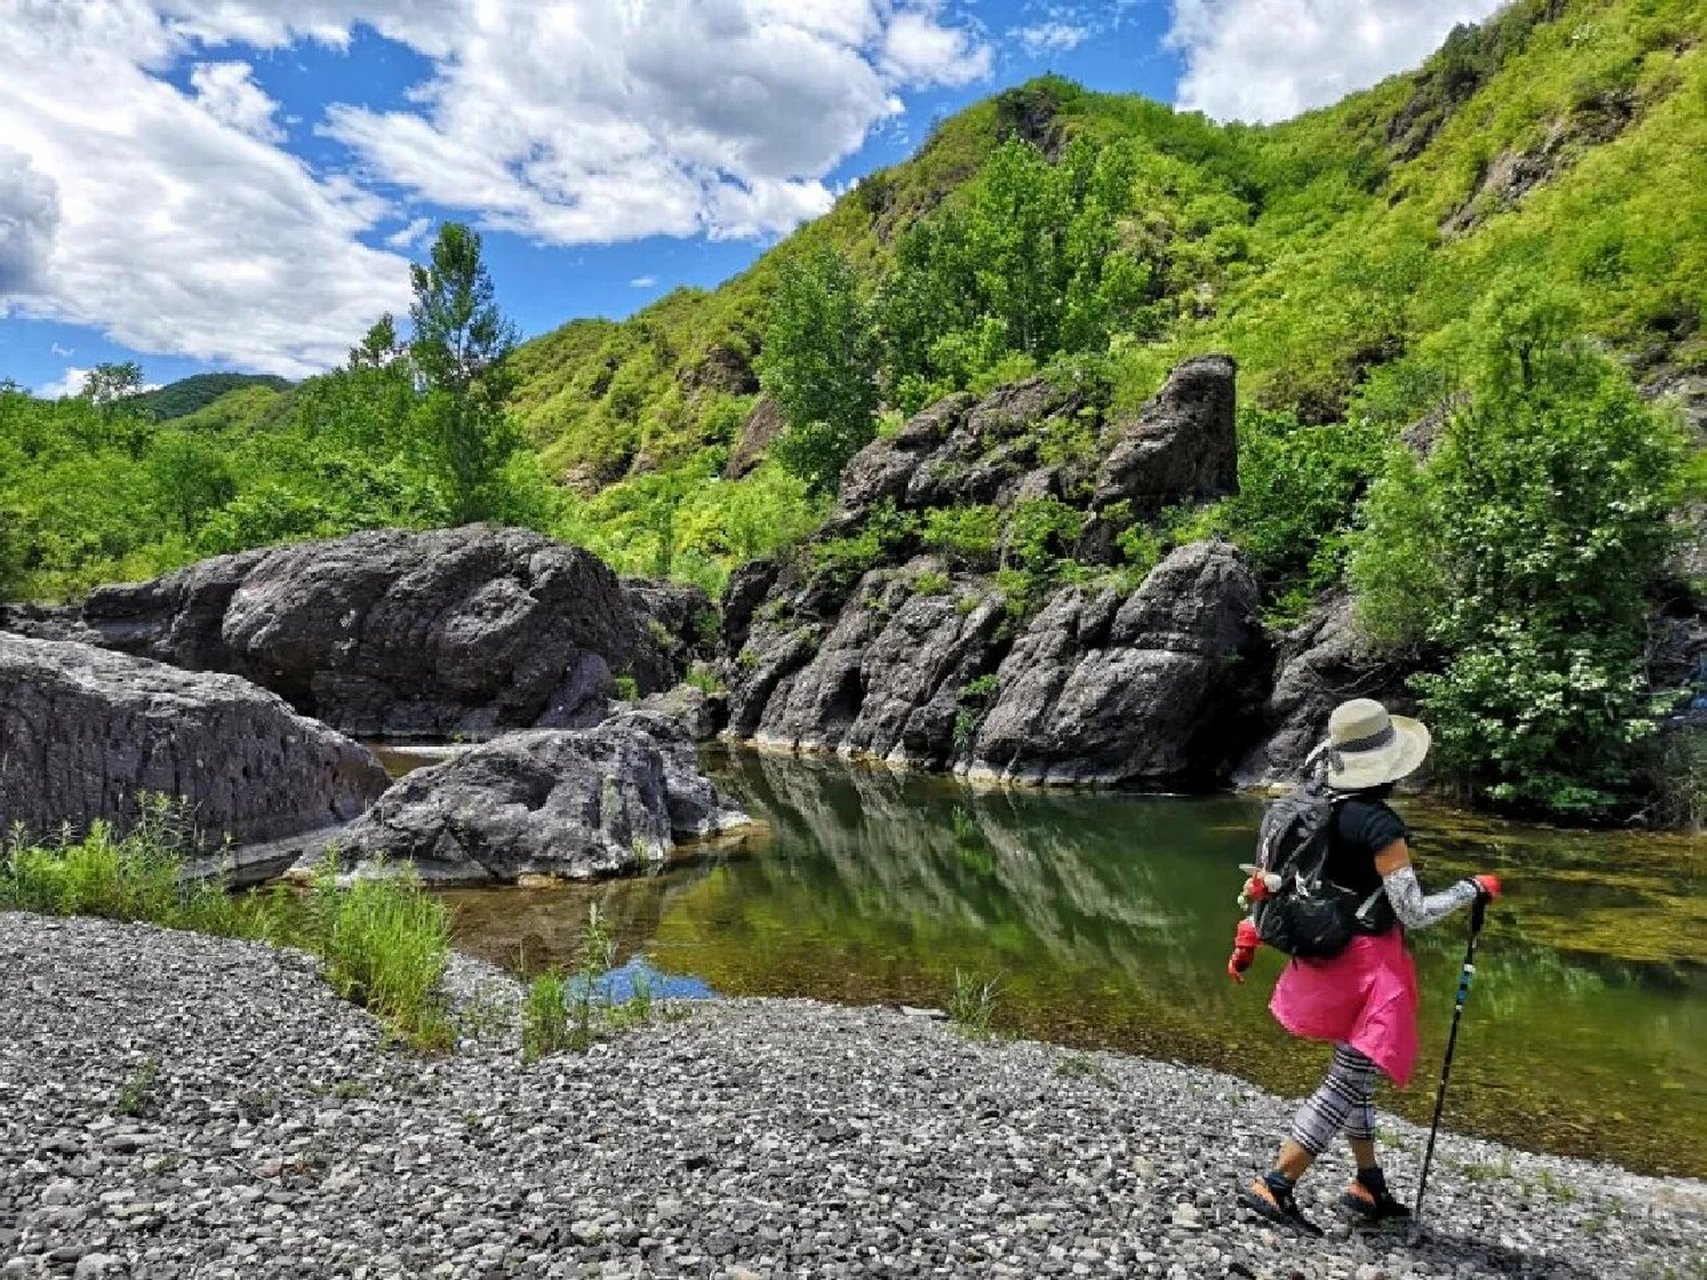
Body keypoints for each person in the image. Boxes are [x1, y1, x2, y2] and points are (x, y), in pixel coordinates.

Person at [1226, 697, 1500, 1234]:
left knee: (1358, 1077)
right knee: (1347, 1080)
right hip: (1369, 970)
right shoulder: (1378, 825)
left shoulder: (1310, 806)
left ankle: (1367, 1184)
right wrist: (1472, 889)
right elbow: (1413, 912)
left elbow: (1276, 881)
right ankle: (1275, 1185)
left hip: (1324, 957)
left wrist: (1247, 939)